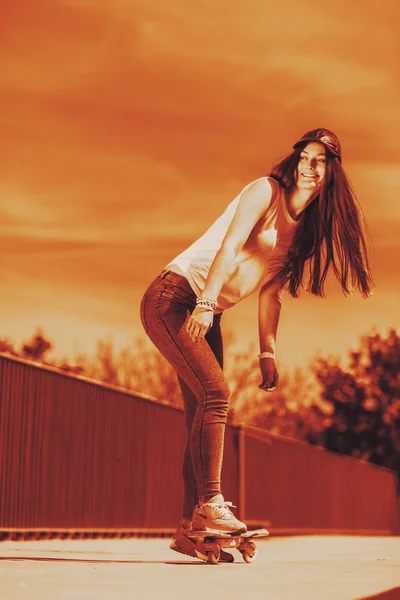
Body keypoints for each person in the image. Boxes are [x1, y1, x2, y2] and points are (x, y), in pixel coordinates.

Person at [139, 128, 374, 561]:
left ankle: (189, 529)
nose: (309, 166)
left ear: (332, 171)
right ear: (295, 159)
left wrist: (268, 351)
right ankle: (210, 505)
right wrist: (206, 302)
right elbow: (229, 246)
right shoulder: (264, 191)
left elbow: (270, 293)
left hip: (208, 313)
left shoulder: (306, 232)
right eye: (305, 156)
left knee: (200, 415)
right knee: (216, 394)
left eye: (320, 160)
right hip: (174, 299)